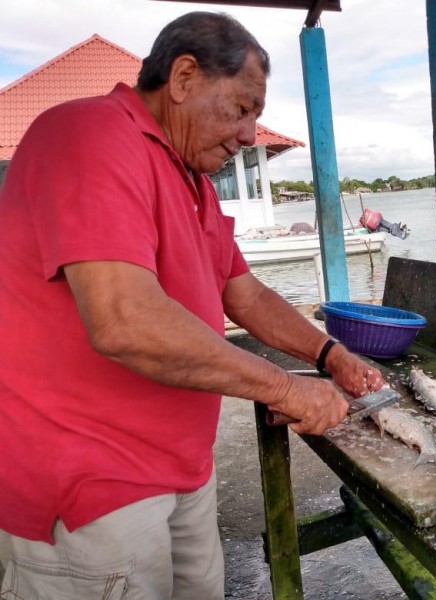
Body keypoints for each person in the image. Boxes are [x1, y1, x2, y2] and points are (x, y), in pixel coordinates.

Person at [0, 11, 384, 599]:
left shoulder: (195, 181)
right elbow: (124, 320)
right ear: (183, 78)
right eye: (242, 109)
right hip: (90, 485)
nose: (251, 134)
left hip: (181, 467)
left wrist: (328, 353)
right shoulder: (89, 134)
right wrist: (283, 387)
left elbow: (243, 292)